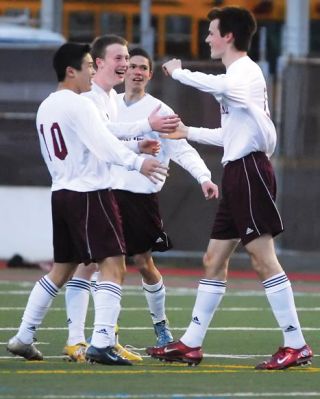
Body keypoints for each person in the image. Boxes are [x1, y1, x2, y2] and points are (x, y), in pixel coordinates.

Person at [147, 5, 313, 370]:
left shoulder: (244, 72)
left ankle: (295, 343)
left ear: (229, 36)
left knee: (262, 258)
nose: (207, 37)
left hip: (250, 171)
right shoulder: (237, 78)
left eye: (211, 31)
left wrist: (180, 74)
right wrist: (187, 131)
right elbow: (229, 134)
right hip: (237, 171)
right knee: (213, 259)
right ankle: (191, 343)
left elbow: (223, 89)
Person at [6, 42, 168, 366]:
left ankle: (24, 336)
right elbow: (104, 143)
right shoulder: (79, 104)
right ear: (71, 71)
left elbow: (102, 132)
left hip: (62, 192)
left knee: (62, 269)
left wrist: (136, 140)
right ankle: (102, 342)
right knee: (114, 265)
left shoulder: (48, 106)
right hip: (90, 192)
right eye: (87, 66)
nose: (92, 72)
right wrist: (137, 162)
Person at [63, 43, 219, 362]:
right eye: (130, 65)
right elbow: (99, 140)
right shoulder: (106, 104)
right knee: (94, 263)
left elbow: (183, 149)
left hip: (141, 198)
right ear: (121, 70)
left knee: (143, 263)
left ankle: (160, 325)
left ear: (149, 74)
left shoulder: (159, 111)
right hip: (107, 192)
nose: (135, 71)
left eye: (142, 67)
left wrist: (204, 177)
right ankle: (98, 334)